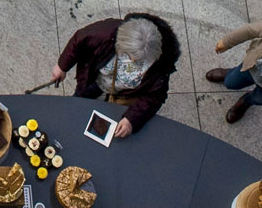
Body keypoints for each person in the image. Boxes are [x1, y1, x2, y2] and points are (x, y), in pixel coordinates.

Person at [51, 13, 180, 138]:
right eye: (129, 56)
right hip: (95, 79)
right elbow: (79, 40)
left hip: (124, 92)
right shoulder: (107, 32)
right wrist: (62, 66)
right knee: (80, 98)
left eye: (142, 62)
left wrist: (131, 119)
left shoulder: (160, 68)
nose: (134, 64)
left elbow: (154, 98)